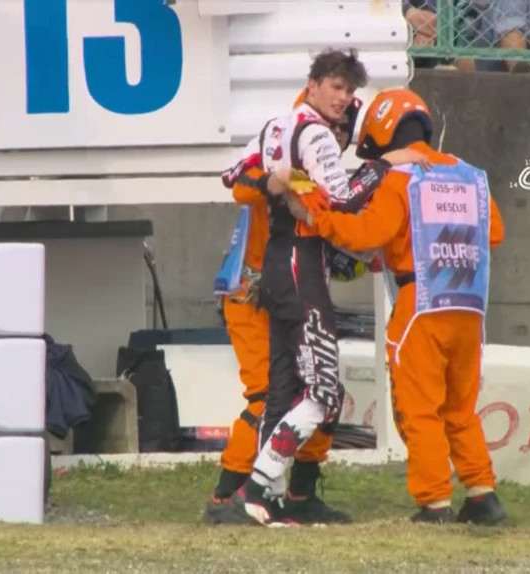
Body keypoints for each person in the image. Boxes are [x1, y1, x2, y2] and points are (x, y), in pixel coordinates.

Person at [274, 87, 509, 525]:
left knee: (419, 409)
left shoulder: (399, 179)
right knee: (459, 408)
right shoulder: (471, 175)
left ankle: (434, 503)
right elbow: (493, 233)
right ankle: (483, 496)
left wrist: (315, 217)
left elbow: (364, 234)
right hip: (470, 305)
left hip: (420, 305)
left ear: (383, 133)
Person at [210, 88, 427, 525]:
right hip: (250, 295)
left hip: (287, 292)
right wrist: (382, 168)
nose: (340, 134)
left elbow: (335, 235)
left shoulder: (317, 168)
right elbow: (244, 185)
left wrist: (365, 250)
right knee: (271, 398)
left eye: (346, 128)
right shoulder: (281, 154)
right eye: (336, 124)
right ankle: (227, 496)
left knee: (324, 395)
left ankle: (299, 494)